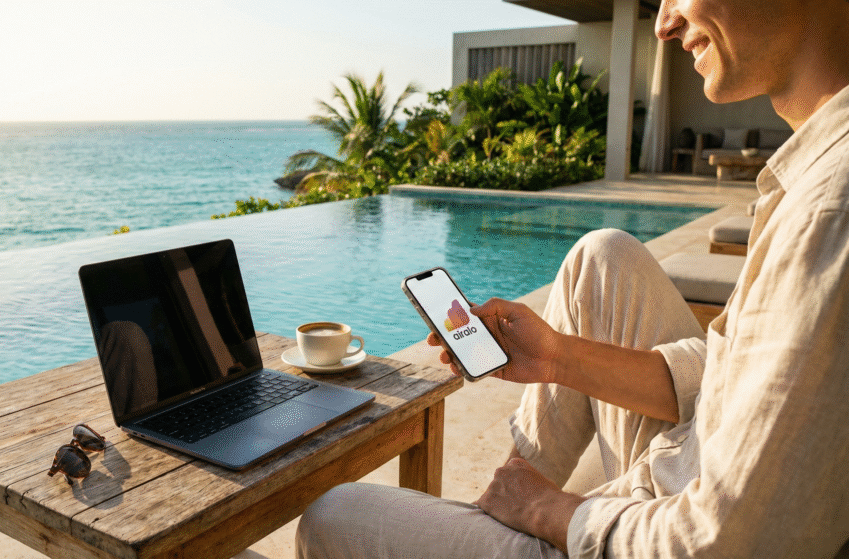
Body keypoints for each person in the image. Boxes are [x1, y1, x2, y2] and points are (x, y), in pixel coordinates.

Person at [296, 0, 849, 556]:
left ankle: (508, 519)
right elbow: (730, 378)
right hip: (692, 455)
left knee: (334, 516)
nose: (664, 23)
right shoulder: (817, 172)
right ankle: (497, 510)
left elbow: (723, 542)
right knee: (602, 255)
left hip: (669, 527)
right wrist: (556, 355)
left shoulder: (829, 211)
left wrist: (549, 509)